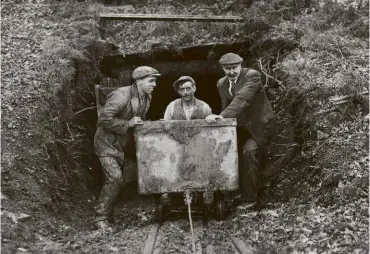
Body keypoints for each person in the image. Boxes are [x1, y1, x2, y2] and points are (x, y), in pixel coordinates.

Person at [94, 66, 160, 231]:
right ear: (139, 81)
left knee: (127, 176)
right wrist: (128, 124)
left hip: (123, 144)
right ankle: (100, 219)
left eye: (155, 81)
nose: (155, 84)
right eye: (151, 81)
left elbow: (140, 116)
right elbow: (103, 118)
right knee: (115, 177)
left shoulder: (146, 96)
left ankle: (109, 215)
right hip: (106, 143)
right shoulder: (122, 95)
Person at [205, 53, 275, 208]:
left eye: (234, 67)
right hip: (241, 126)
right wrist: (221, 124)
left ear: (241, 65)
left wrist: (222, 116)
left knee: (248, 152)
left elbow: (242, 99)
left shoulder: (252, 76)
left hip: (259, 124)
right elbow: (225, 105)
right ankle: (231, 192)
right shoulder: (221, 83)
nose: (231, 72)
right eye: (227, 68)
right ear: (222, 68)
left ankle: (251, 199)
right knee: (226, 151)